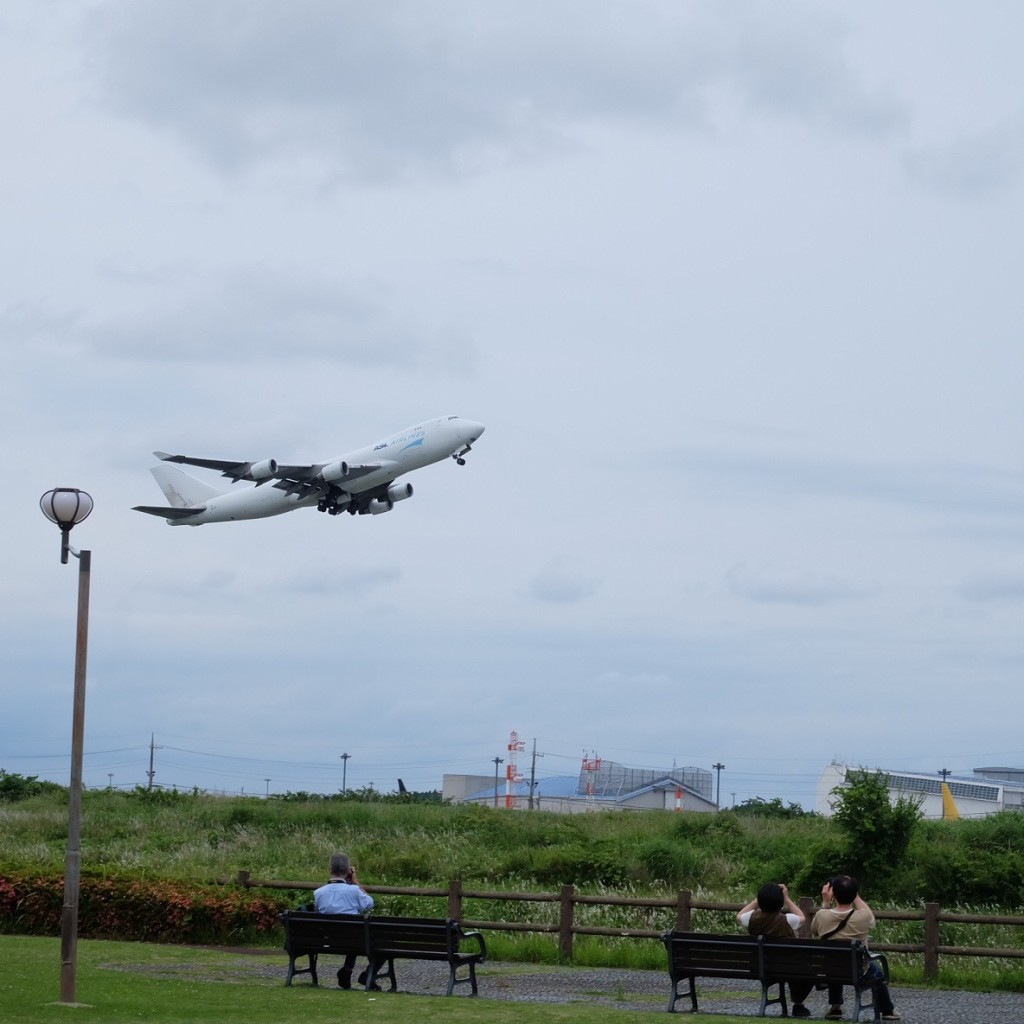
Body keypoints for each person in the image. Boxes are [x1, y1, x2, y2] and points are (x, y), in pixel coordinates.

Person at [812, 875, 900, 1021]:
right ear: (854, 894)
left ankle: (835, 1007)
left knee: (835, 959)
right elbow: (870, 917)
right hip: (858, 970)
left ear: (832, 893)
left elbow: (814, 930)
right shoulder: (862, 916)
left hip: (830, 969)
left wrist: (826, 902)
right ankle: (887, 1010)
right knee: (876, 969)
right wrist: (856, 896)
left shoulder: (822, 916)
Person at [737, 882, 812, 1018]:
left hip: (759, 967)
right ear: (780, 902)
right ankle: (798, 1003)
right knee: (805, 968)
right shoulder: (787, 920)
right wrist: (787, 899)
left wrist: (757, 901)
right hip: (787, 967)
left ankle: (798, 1004)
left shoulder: (750, 919)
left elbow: (739, 915)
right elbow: (802, 917)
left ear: (760, 901)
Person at [313, 852, 375, 990]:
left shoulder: (318, 893)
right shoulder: (354, 891)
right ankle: (362, 972)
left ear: (330, 871)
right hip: (353, 940)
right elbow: (370, 903)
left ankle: (348, 968)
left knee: (351, 933)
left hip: (327, 940)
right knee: (356, 934)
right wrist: (355, 882)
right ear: (348, 871)